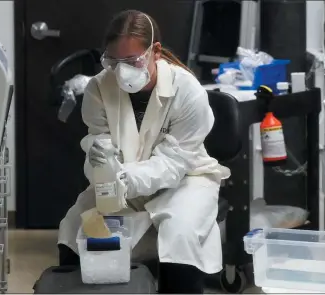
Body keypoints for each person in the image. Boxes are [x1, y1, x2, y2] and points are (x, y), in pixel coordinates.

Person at [57, 10, 230, 294]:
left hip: (187, 179)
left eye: (133, 60)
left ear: (155, 51)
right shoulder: (99, 89)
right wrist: (97, 162)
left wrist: (124, 177)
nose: (122, 70)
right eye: (114, 61)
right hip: (120, 182)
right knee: (75, 225)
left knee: (179, 232)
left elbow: (174, 164)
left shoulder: (187, 92)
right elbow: (97, 145)